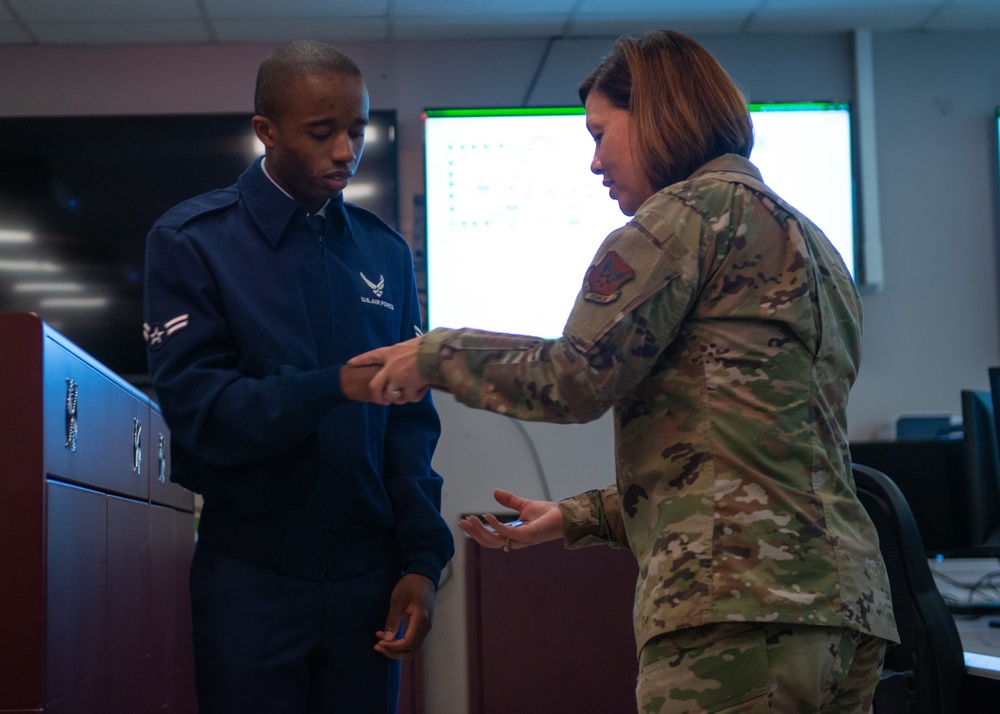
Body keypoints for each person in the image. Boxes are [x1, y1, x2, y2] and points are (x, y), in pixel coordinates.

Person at [350, 30, 898, 714]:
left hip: (734, 609)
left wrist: (434, 354)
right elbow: (744, 450)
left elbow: (576, 377)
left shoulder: (680, 219)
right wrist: (574, 518)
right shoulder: (814, 244)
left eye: (601, 133)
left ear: (661, 116)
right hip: (847, 611)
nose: (594, 162)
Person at [142, 40, 454, 714]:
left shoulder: (385, 253)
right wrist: (332, 385)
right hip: (251, 580)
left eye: (358, 129)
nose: (347, 150)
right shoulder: (193, 241)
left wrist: (421, 562)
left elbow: (408, 427)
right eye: (323, 132)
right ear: (266, 131)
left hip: (367, 583)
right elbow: (202, 412)